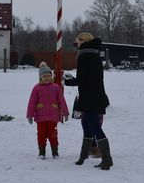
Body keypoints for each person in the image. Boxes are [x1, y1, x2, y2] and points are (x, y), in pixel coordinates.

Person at [64, 32, 113, 170]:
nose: (77, 44)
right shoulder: (94, 54)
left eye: (77, 42)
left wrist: (67, 82)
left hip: (90, 98)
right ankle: (83, 156)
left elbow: (82, 80)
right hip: (95, 96)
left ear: (82, 42)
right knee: (86, 123)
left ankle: (107, 159)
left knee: (94, 127)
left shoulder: (84, 56)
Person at [26, 62, 69, 159]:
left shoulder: (55, 87)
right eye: (44, 76)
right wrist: (30, 115)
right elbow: (32, 102)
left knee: (53, 134)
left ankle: (55, 152)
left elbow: (61, 100)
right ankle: (42, 152)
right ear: (40, 77)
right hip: (40, 117)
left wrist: (65, 113)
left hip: (52, 117)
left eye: (48, 76)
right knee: (41, 135)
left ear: (51, 76)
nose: (46, 78)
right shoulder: (36, 88)